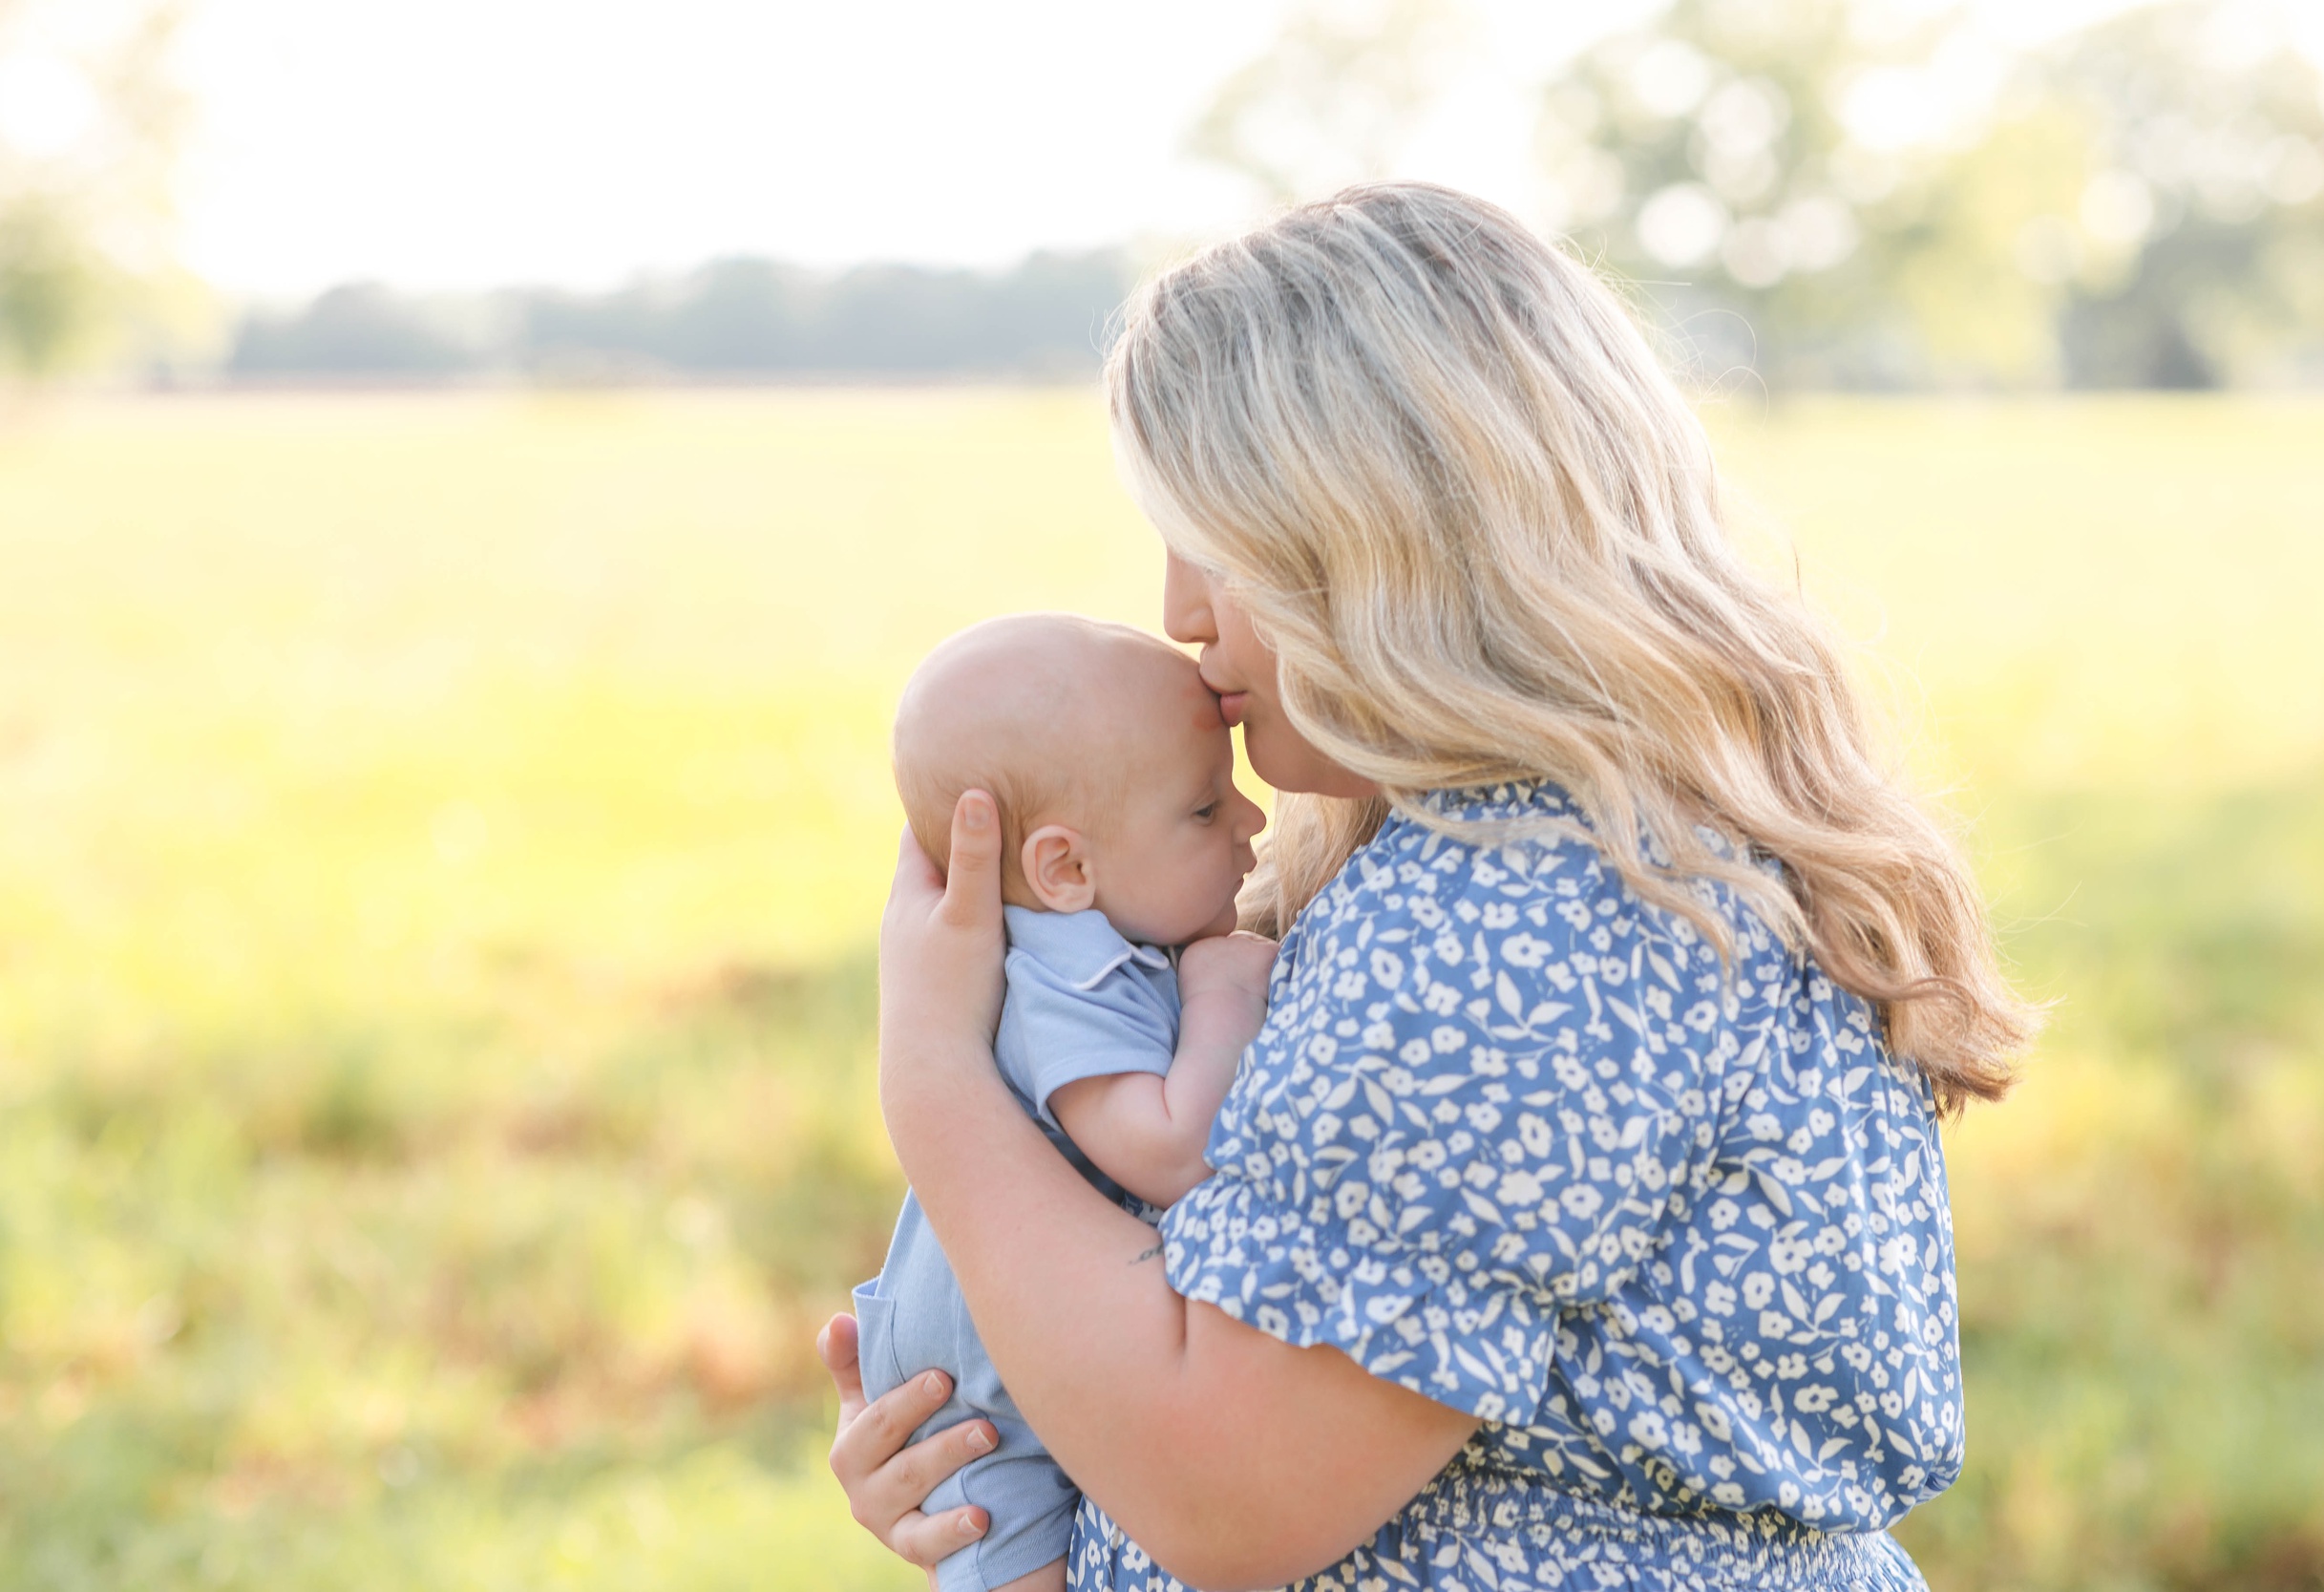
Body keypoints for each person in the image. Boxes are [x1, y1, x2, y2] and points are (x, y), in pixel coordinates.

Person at [819, 182, 2039, 1590]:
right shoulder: (1480, 861)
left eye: (1220, 542)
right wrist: (996, 1457)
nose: (1179, 613)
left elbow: (1229, 1493)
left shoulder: (1535, 921)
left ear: (1391, 532)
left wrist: (933, 1082)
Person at [855, 613, 1274, 1592]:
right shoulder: (1065, 982)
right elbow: (1173, 1148)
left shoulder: (1086, 942)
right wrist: (1224, 994)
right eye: (1206, 810)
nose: (1252, 820)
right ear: (1065, 868)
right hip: (977, 1381)